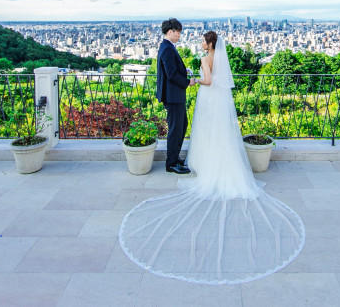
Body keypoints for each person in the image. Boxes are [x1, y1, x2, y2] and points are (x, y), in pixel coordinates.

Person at [120, 30, 305, 284]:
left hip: (207, 97)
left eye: (202, 41)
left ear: (209, 44)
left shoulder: (207, 58)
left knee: (204, 131)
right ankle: (214, 164)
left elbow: (207, 80)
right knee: (218, 133)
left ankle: (199, 164)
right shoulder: (218, 56)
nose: (199, 43)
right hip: (217, 100)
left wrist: (194, 80)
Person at [156, 18, 193, 174]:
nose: (179, 35)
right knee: (175, 129)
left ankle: (175, 158)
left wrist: (183, 71)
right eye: (177, 32)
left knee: (181, 126)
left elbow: (170, 70)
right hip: (173, 96)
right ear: (169, 32)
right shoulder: (167, 49)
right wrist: (187, 82)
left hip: (174, 95)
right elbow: (171, 75)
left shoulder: (167, 47)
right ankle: (171, 163)